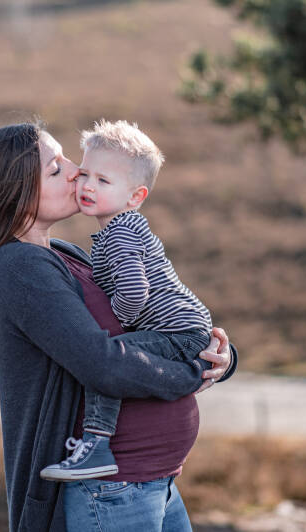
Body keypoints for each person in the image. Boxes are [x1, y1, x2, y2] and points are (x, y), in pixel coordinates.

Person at [0, 122, 238, 532]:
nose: (75, 172)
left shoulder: (65, 254)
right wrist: (193, 374)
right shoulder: (18, 268)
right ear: (14, 192)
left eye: (68, 158)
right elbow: (103, 363)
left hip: (153, 482)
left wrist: (218, 357)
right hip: (109, 491)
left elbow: (150, 323)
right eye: (55, 168)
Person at [40, 120, 215, 483]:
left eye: (103, 181)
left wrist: (119, 322)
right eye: (85, 174)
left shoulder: (120, 232)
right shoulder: (115, 231)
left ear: (135, 197)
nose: (87, 186)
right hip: (185, 327)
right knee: (113, 356)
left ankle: (97, 445)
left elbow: (135, 292)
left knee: (112, 357)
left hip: (179, 331)